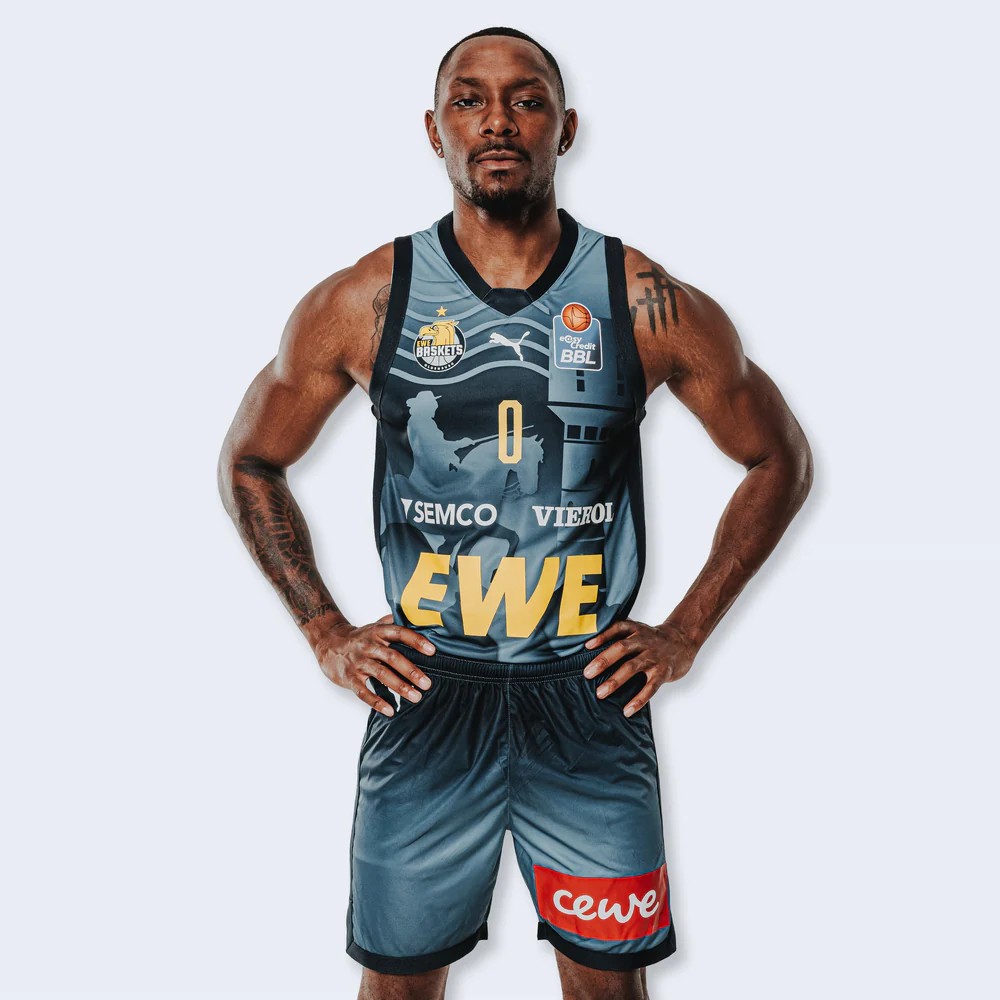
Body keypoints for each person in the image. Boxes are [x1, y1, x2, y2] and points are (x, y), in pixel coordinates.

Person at [218, 24, 813, 1000]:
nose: (497, 120)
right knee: (399, 983)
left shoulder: (640, 299)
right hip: (426, 687)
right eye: (469, 98)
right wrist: (324, 629)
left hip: (587, 691)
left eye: (526, 99)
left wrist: (685, 632)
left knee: (607, 985)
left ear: (564, 127)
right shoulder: (368, 300)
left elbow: (776, 457)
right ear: (434, 129)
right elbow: (251, 460)